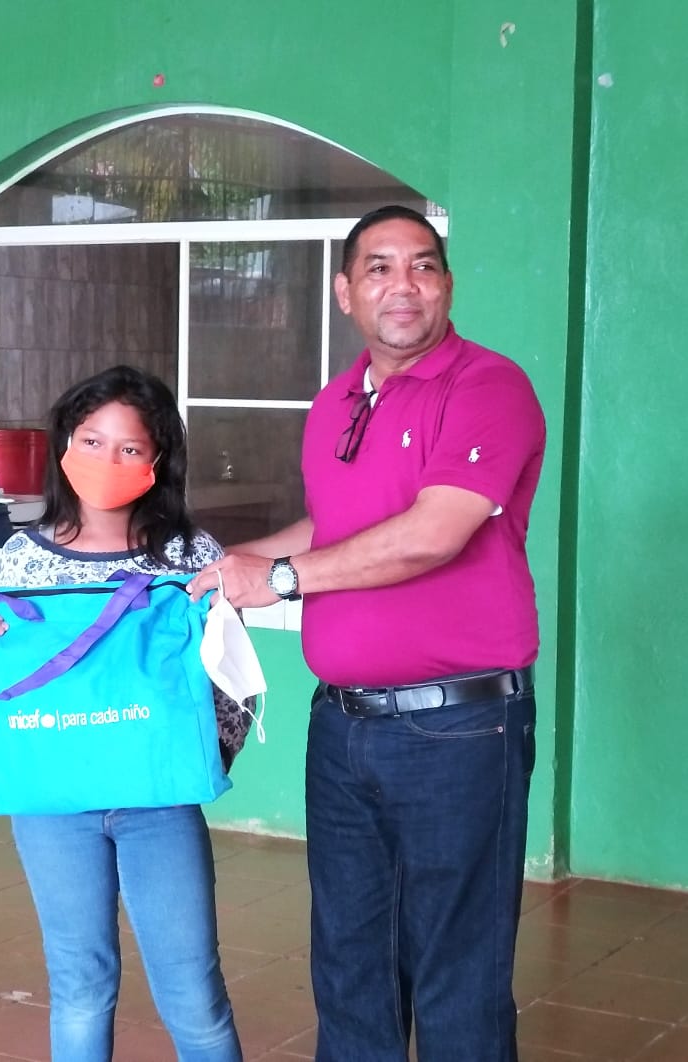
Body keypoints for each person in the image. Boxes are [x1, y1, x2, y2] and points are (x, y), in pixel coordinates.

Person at [188, 204, 546, 1061]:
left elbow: (433, 533)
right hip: (343, 727)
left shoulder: (488, 387)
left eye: (422, 266)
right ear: (345, 292)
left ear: (447, 285)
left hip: (459, 729)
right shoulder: (335, 402)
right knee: (351, 968)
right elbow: (334, 527)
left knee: (457, 973)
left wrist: (276, 580)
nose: (403, 285)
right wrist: (236, 565)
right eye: (379, 268)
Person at [0, 365, 246, 1062]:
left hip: (159, 806)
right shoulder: (22, 558)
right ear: (65, 444)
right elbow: (12, 681)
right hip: (53, 811)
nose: (106, 459)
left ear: (157, 460)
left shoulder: (191, 558)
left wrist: (184, 753)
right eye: (91, 441)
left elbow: (234, 691)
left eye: (129, 447)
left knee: (194, 997)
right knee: (80, 988)